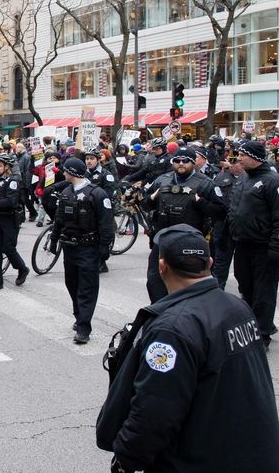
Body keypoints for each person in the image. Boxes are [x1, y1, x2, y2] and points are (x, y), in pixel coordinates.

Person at [97, 224, 279, 471]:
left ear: (162, 267)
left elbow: (154, 413)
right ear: (210, 263)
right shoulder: (237, 307)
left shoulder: (172, 329)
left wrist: (126, 458)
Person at [141, 146, 226, 302]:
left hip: (191, 241)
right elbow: (144, 205)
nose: (181, 163)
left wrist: (201, 202)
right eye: (177, 160)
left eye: (185, 161)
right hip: (163, 238)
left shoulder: (205, 183)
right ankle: (160, 312)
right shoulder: (162, 180)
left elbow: (221, 212)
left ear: (193, 162)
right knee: (155, 280)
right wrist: (151, 198)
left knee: (188, 284)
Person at [49, 158, 114, 345]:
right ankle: (79, 316)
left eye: (65, 170)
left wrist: (104, 248)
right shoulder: (66, 192)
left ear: (72, 172)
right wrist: (54, 240)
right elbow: (59, 219)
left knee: (87, 288)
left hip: (89, 248)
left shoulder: (97, 194)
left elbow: (106, 223)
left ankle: (84, 327)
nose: (63, 173)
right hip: (70, 248)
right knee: (72, 284)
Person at [227, 140, 279, 349]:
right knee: (245, 287)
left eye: (242, 155)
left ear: (255, 157)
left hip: (264, 246)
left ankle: (263, 334)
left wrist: (275, 246)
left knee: (263, 293)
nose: (238, 158)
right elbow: (234, 208)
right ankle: (251, 327)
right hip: (242, 244)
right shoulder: (242, 178)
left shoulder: (272, 181)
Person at [0, 153, 30, 290]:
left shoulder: (13, 181)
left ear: (7, 167)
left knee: (8, 248)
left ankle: (22, 268)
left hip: (10, 218)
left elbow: (10, 201)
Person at [210, 151, 245, 288]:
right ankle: (218, 292)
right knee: (220, 265)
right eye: (230, 162)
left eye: (235, 162)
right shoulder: (220, 178)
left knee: (242, 268)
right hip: (223, 227)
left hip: (243, 229)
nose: (231, 165)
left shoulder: (250, 178)